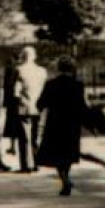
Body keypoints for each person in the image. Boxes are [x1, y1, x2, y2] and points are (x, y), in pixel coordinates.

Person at [36, 57, 89, 196]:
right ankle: (66, 177)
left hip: (55, 123)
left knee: (57, 154)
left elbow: (41, 103)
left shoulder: (51, 84)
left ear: (58, 68)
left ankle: (64, 179)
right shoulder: (78, 85)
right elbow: (83, 107)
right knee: (68, 153)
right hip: (72, 124)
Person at [11, 47, 49, 172]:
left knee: (24, 137)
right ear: (34, 56)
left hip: (24, 106)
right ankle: (37, 162)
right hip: (38, 107)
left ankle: (26, 165)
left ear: (22, 56)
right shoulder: (42, 71)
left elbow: (15, 92)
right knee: (36, 136)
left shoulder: (19, 70)